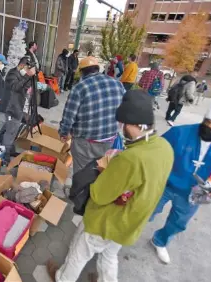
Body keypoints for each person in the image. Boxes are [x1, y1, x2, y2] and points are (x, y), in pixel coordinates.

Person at [48, 90, 174, 282]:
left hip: (109, 221)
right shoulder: (164, 146)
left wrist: (103, 171)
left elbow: (99, 195)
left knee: (80, 253)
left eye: (122, 123)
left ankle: (62, 278)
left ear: (131, 124)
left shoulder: (130, 158)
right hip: (133, 222)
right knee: (109, 255)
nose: (120, 127)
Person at [150, 98, 211, 264]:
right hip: (166, 184)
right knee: (146, 211)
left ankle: (159, 241)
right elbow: (156, 151)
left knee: (178, 222)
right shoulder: (180, 132)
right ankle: (126, 233)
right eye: (208, 122)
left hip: (197, 192)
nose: (210, 128)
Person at [58, 56, 125, 175]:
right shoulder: (117, 84)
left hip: (85, 142)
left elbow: (69, 116)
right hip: (109, 139)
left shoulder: (79, 88)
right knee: (101, 169)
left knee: (82, 173)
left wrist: (63, 133)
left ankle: (81, 192)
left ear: (82, 72)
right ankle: (94, 191)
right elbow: (126, 108)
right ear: (97, 69)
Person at [0, 56, 36, 163]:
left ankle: (9, 149)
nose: (28, 71)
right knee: (10, 131)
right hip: (11, 108)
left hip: (17, 106)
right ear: (22, 65)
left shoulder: (21, 75)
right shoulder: (12, 74)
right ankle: (5, 156)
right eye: (27, 68)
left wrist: (30, 78)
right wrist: (27, 76)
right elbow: (15, 87)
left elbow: (24, 87)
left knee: (12, 129)